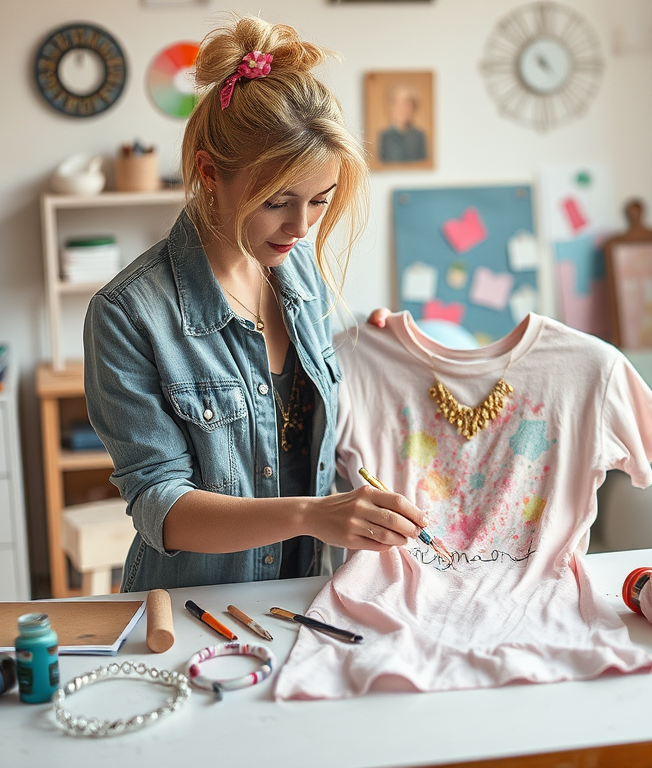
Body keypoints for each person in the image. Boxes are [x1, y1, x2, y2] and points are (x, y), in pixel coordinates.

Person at [83, 15, 425, 592]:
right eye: (277, 202)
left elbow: (314, 420)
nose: (300, 226)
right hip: (195, 607)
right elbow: (162, 507)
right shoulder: (128, 315)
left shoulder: (302, 275)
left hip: (303, 591)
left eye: (321, 201)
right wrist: (314, 515)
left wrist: (373, 343)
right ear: (209, 172)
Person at [378, 85, 427, 163]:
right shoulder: (384, 136)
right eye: (398, 103)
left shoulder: (419, 135)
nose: (402, 108)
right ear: (391, 107)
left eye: (406, 104)